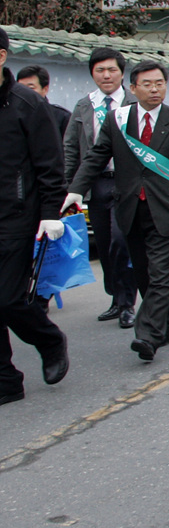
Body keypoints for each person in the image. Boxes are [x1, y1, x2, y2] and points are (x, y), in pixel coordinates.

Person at [65, 60, 169, 362]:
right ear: (134, 87)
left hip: (166, 209)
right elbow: (96, 158)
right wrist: (74, 189)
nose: (155, 89)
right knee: (143, 274)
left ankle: (148, 334)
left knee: (160, 273)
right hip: (129, 209)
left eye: (160, 83)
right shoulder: (118, 120)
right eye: (148, 84)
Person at [0, 28, 70, 406]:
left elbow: (49, 164)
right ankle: (6, 380)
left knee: (9, 300)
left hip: (16, 217)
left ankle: (49, 339)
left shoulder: (26, 104)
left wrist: (49, 213)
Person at [63, 47, 138, 329]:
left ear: (121, 73)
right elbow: (71, 148)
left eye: (112, 70)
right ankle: (117, 298)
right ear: (92, 73)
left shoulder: (134, 102)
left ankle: (128, 303)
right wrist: (71, 187)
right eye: (100, 70)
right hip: (96, 184)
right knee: (105, 245)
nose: (106, 75)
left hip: (126, 182)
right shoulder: (84, 105)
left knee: (122, 242)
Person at [16, 65, 71, 136]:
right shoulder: (10, 116)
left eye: (30, 88)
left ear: (45, 89)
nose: (24, 92)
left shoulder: (62, 118)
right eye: (21, 88)